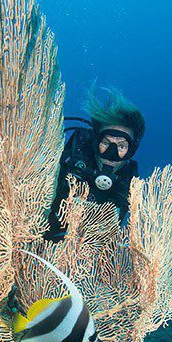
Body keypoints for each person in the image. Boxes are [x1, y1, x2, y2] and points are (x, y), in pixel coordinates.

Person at [44, 86, 146, 242]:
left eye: (122, 146)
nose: (112, 153)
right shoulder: (72, 157)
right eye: (106, 142)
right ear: (95, 141)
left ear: (132, 150)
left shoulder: (129, 183)